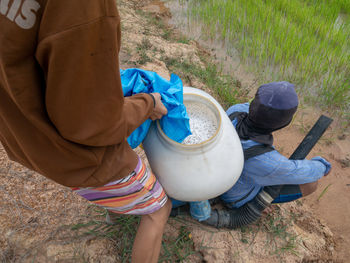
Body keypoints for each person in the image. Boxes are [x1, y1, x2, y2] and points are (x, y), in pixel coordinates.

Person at [0, 1, 171, 262]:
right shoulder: (85, 7)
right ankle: (125, 205)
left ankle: (116, 209)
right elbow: (93, 123)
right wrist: (147, 104)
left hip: (23, 135)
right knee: (158, 210)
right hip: (79, 158)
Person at [172, 81, 331, 226]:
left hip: (216, 175)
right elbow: (300, 171)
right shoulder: (267, 161)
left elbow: (256, 108)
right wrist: (322, 165)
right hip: (233, 197)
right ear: (284, 124)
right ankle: (259, 202)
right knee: (311, 184)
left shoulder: (235, 111)